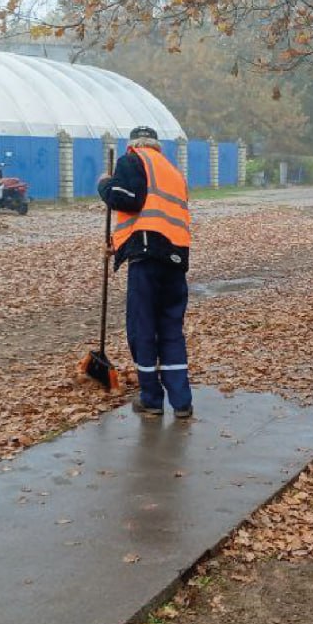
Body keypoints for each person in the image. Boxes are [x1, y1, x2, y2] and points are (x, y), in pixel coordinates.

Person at [98, 126, 193, 418]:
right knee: (170, 330)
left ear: (133, 145)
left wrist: (106, 183)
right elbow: (156, 216)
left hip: (147, 261)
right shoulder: (173, 172)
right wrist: (119, 246)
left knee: (143, 329)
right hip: (175, 258)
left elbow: (127, 199)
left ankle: (151, 398)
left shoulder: (132, 159)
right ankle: (181, 402)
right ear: (157, 145)